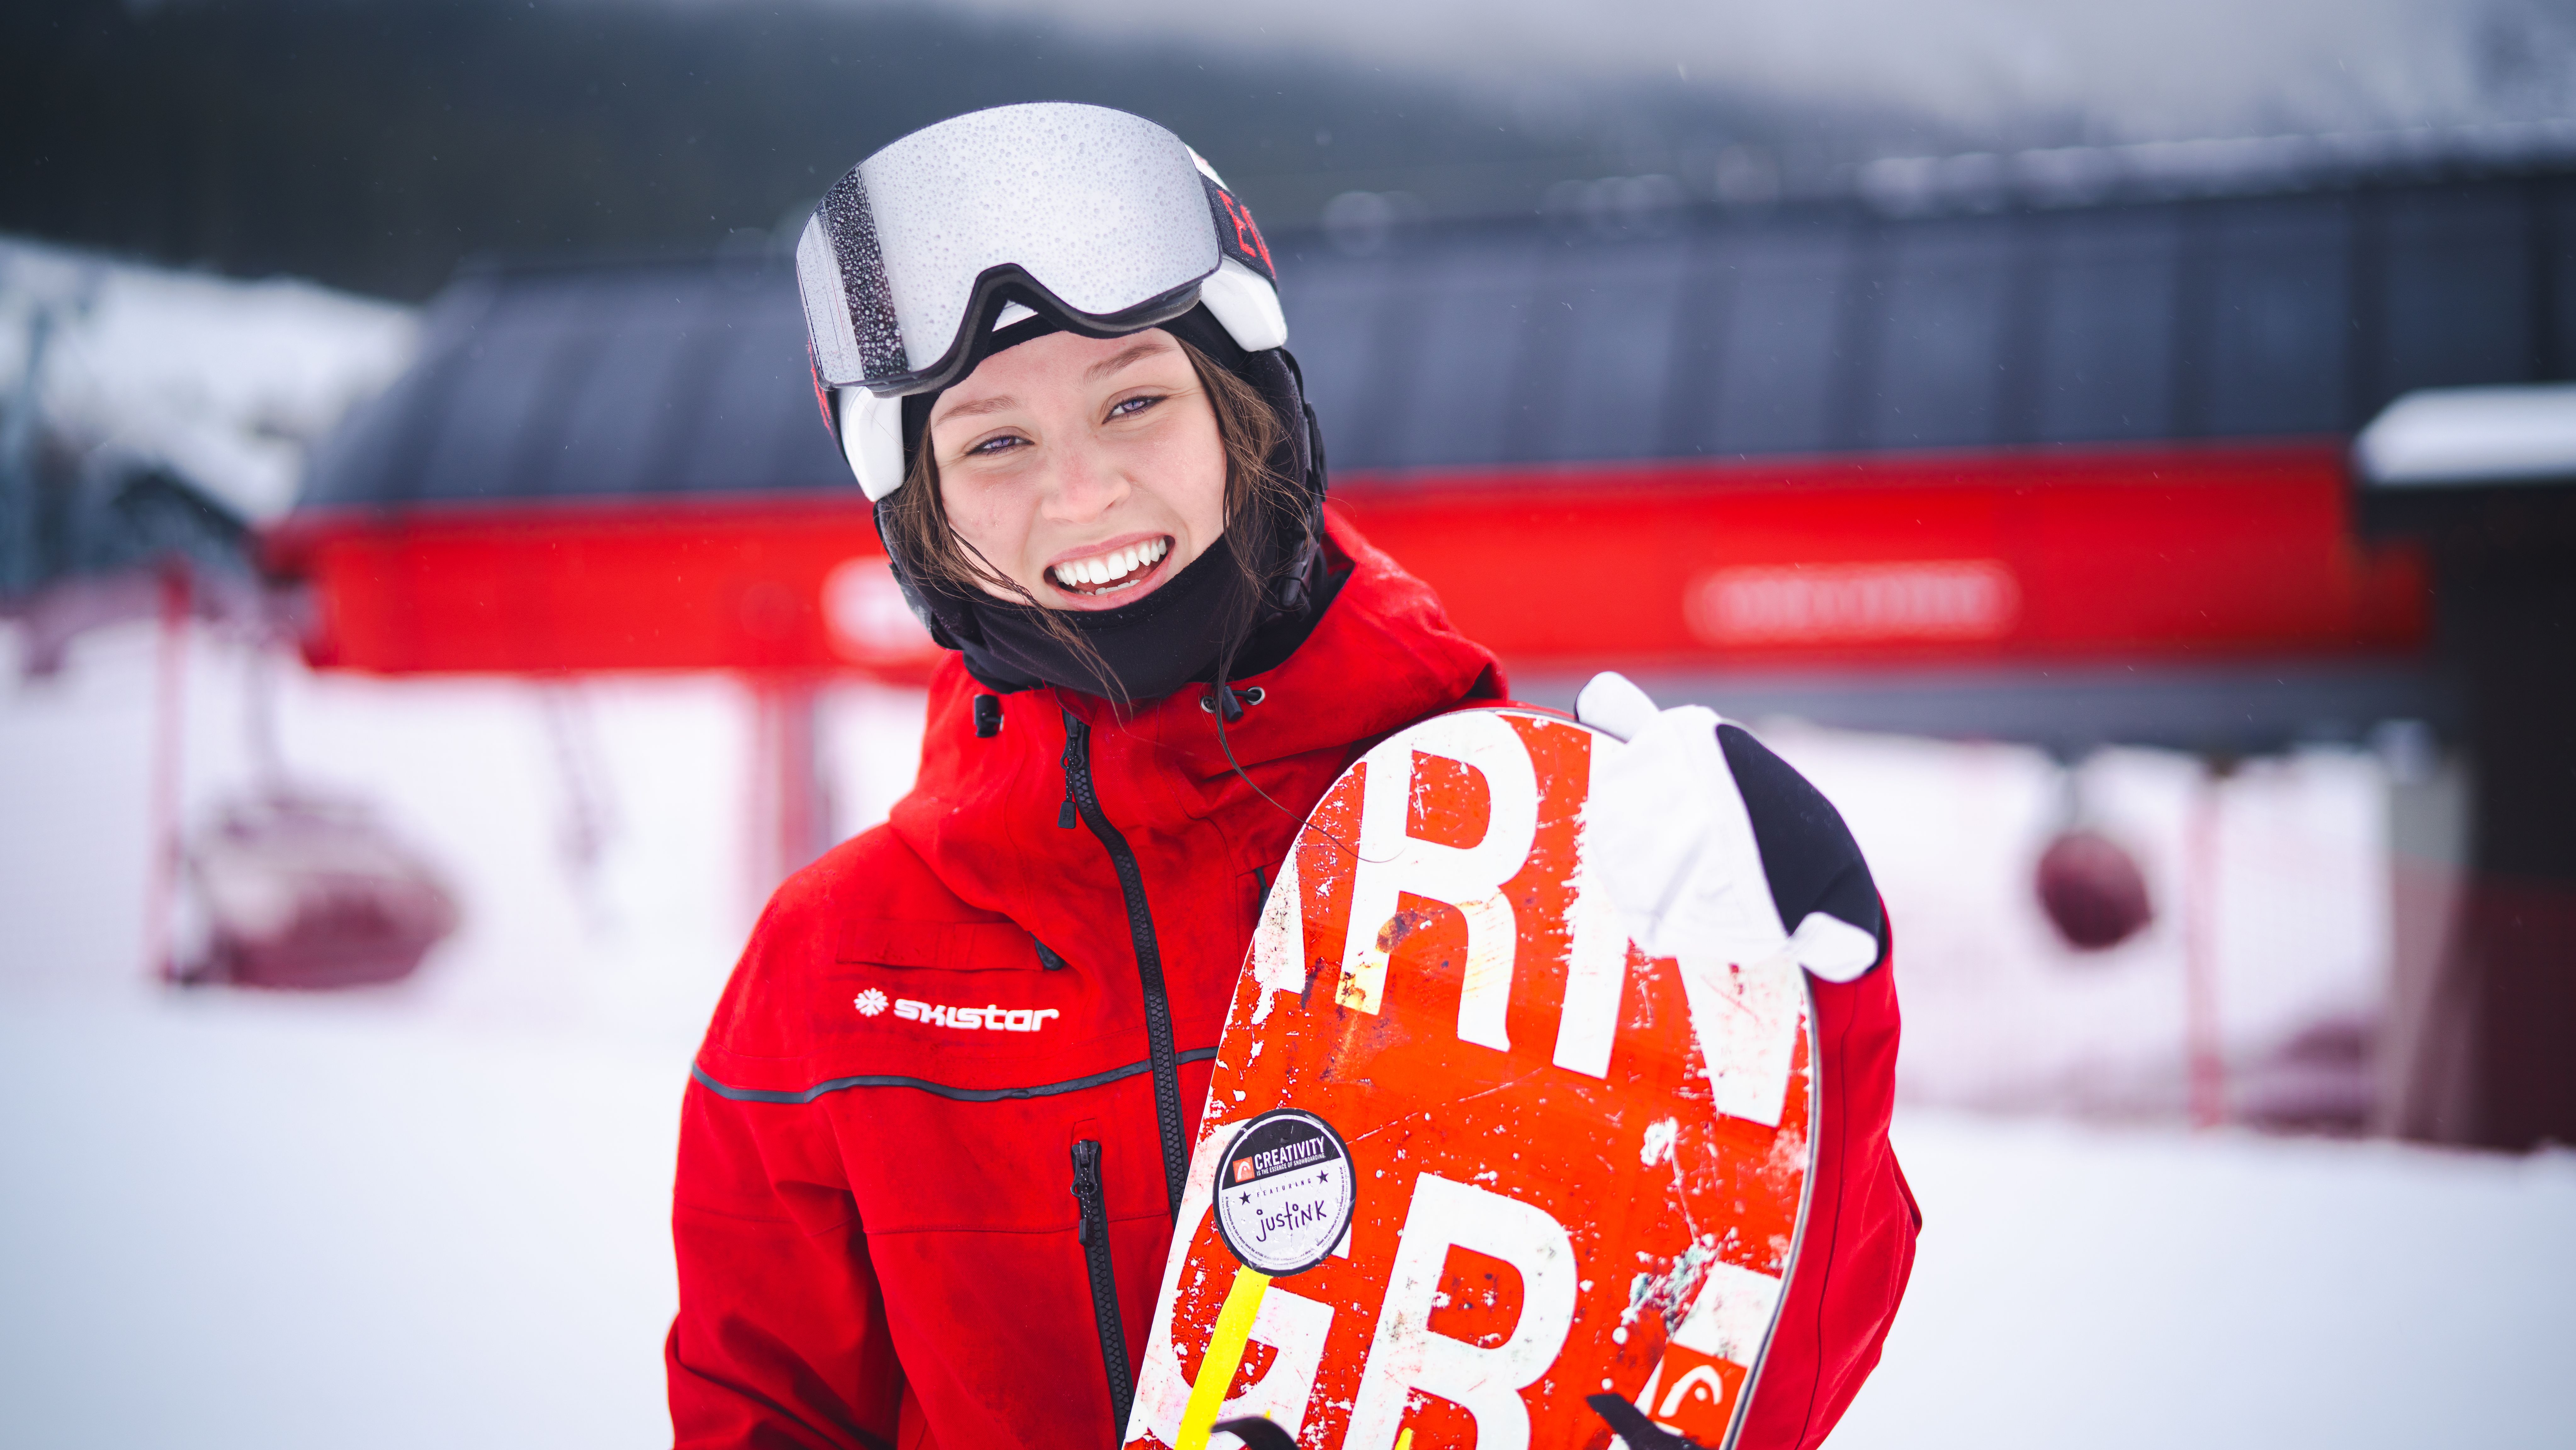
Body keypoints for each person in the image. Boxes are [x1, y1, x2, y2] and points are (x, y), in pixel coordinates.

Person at [667, 102, 1916, 1450]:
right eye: (992, 443)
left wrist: (1810, 1018)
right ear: (921, 515)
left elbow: (1760, 1386)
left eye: (1134, 400)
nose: (1082, 494)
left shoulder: (1521, 863)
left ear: (1245, 414)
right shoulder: (842, 970)